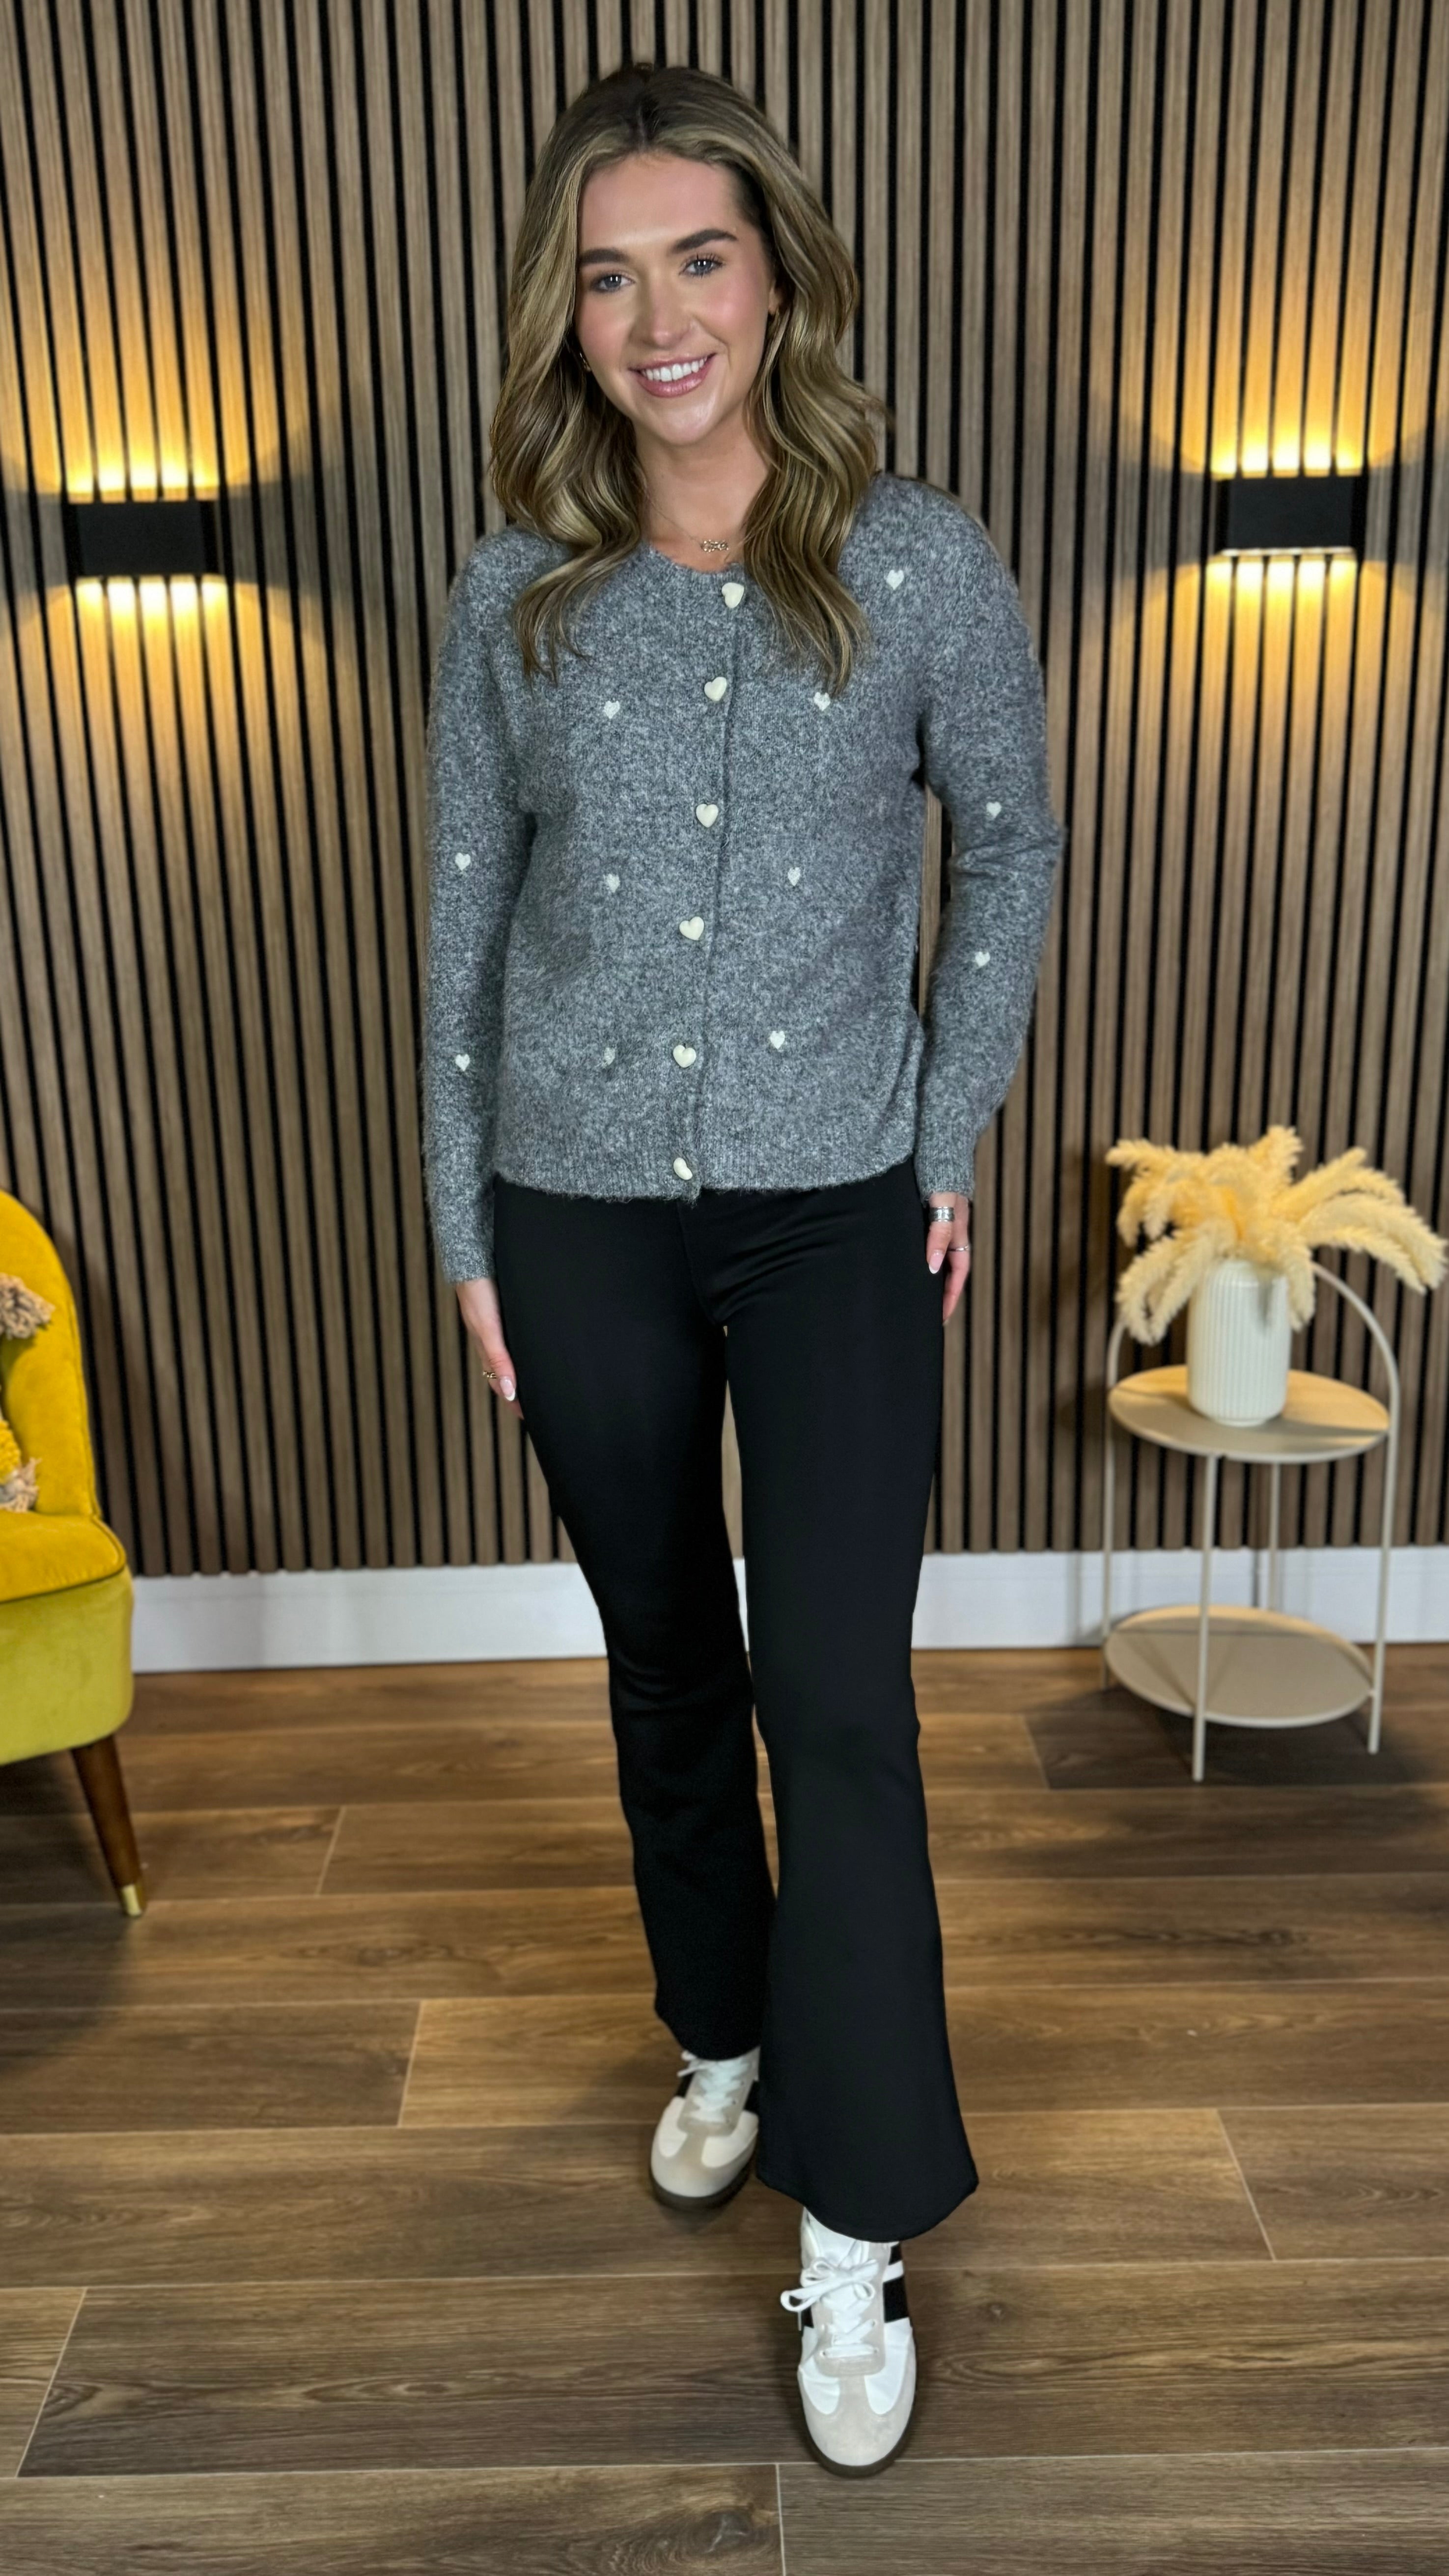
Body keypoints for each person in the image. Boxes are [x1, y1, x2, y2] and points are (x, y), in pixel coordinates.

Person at [421, 59, 1065, 2476]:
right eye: (608, 275)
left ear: (778, 275)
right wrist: (467, 1226)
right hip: (576, 1211)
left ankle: (855, 2227)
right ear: (567, 315)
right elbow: (463, 928)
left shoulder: (922, 562)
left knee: (843, 1704)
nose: (657, 315)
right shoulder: (517, 589)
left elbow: (1010, 847)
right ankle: (724, 2037)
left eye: (697, 257)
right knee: (668, 1663)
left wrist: (944, 1125)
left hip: (832, 1213)